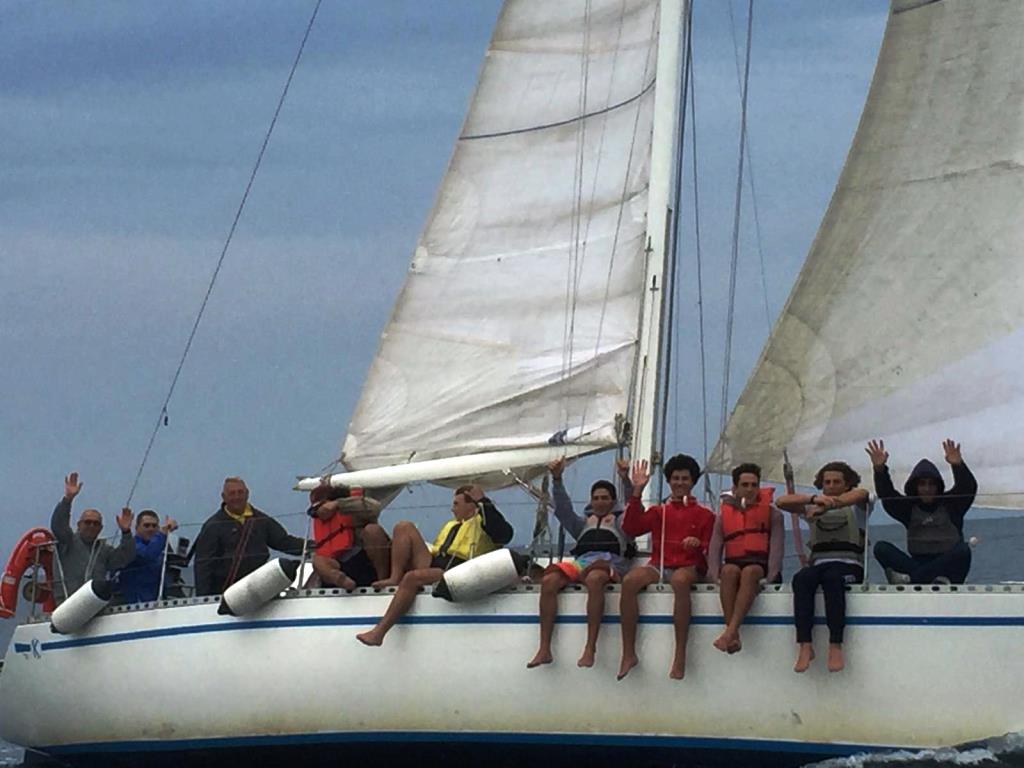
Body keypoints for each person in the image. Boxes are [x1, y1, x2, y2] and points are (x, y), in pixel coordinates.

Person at [356, 485, 512, 647]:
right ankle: (394, 578)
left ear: (471, 506)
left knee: (412, 578)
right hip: (436, 561)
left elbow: (504, 534)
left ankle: (379, 633)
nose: (452, 509)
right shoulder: (453, 524)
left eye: (456, 504)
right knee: (403, 527)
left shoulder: (484, 523)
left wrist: (483, 501)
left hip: (458, 568)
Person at [527, 457, 633, 670]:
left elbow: (633, 508)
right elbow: (563, 510)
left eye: (605, 498)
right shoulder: (582, 523)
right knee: (549, 580)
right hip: (582, 562)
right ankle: (544, 649)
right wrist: (557, 479)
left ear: (613, 501)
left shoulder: (622, 522)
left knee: (595, 579)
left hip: (609, 562)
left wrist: (626, 480)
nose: (600, 502)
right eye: (596, 498)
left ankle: (590, 647)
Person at [618, 456, 715, 681]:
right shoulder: (659, 511)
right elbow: (631, 528)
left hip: (690, 566)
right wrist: (637, 491)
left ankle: (680, 656)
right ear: (669, 481)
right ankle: (628, 653)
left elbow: (712, 548)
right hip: (660, 565)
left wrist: (698, 544)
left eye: (685, 478)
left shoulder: (705, 514)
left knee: (680, 581)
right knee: (630, 581)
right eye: (675, 478)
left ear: (693, 482)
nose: (680, 482)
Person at [777, 461, 870, 674]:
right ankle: (805, 644)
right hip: (820, 563)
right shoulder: (813, 505)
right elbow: (781, 502)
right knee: (802, 579)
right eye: (827, 482)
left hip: (849, 565)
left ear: (847, 484)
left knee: (833, 580)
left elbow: (862, 494)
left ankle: (835, 645)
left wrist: (828, 505)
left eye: (837, 482)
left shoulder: (857, 507)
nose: (831, 486)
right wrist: (814, 500)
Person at [865, 438, 977, 585]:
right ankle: (929, 578)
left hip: (949, 567)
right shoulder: (908, 508)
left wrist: (958, 465)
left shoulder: (952, 504)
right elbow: (887, 495)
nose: (927, 488)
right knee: (881, 548)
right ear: (915, 487)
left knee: (963, 551)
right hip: (917, 562)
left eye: (931, 484)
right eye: (922, 484)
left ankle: (917, 578)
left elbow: (968, 488)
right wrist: (880, 470)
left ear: (938, 486)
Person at [707, 462, 784, 655]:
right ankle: (732, 634)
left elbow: (777, 548)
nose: (750, 489)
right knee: (728, 571)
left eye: (754, 485)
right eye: (745, 485)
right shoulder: (723, 516)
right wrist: (714, 575)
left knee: (750, 572)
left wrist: (771, 577)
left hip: (760, 566)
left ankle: (730, 632)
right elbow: (715, 547)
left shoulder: (773, 514)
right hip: (734, 563)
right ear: (735, 488)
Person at [193, 477, 309, 596]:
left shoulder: (261, 520)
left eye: (240, 492)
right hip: (225, 592)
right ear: (224, 497)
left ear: (247, 494)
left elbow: (283, 542)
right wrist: (203, 598)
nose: (237, 497)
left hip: (257, 587)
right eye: (232, 493)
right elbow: (203, 564)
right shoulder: (212, 526)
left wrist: (312, 547)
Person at [50, 472, 136, 598]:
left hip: (94, 602)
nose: (91, 526)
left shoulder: (104, 549)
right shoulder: (67, 542)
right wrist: (68, 500)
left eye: (96, 524)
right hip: (69, 600)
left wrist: (126, 532)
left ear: (101, 528)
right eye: (87, 522)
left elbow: (124, 558)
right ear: (79, 525)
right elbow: (58, 525)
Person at [308, 484, 391, 590]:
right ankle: (341, 580)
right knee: (318, 560)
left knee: (372, 530)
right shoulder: (320, 520)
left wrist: (339, 504)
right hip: (340, 567)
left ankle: (382, 580)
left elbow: (375, 507)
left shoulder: (352, 509)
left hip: (365, 561)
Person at [117, 509, 179, 603]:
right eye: (146, 525)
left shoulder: (161, 546)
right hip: (134, 604)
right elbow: (148, 555)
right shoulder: (131, 546)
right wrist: (162, 533)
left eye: (154, 526)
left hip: (158, 602)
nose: (151, 529)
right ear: (137, 528)